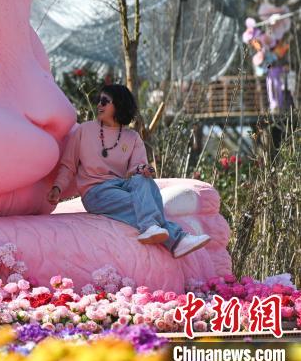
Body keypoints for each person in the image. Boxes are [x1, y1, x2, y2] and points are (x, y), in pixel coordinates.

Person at [46, 84, 210, 259]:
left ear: (119, 105)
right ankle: (176, 238)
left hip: (121, 185)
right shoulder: (84, 130)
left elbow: (136, 169)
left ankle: (156, 231)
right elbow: (68, 165)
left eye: (104, 101)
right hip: (96, 191)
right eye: (98, 101)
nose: (99, 105)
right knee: (143, 204)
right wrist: (57, 188)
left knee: (144, 181)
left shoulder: (132, 138)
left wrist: (143, 170)